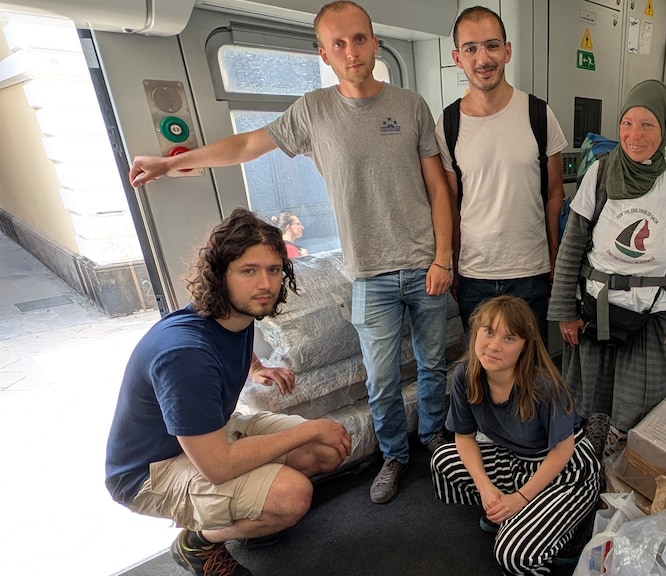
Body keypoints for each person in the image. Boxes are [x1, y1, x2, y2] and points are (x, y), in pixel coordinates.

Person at [128, 1, 454, 505]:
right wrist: (175, 164)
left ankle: (435, 442)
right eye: (339, 44)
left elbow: (437, 185)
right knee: (382, 377)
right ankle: (394, 455)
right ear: (324, 54)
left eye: (360, 39)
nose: (352, 52)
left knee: (431, 365)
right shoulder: (313, 111)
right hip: (369, 274)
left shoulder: (410, 105)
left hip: (424, 265)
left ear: (374, 43)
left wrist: (443, 259)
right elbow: (245, 147)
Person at [105, 208, 353, 576]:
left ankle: (250, 513)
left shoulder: (230, 315)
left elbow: (233, 340)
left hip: (208, 436)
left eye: (273, 270)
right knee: (292, 494)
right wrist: (310, 427)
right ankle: (198, 543)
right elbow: (218, 466)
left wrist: (257, 367)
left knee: (326, 450)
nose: (265, 284)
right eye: (249, 271)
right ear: (221, 274)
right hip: (150, 472)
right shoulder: (185, 355)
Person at [548, 79, 666, 455]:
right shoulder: (600, 173)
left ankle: (620, 472)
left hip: (650, 312)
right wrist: (565, 310)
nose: (634, 134)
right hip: (596, 306)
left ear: (664, 129)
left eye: (647, 124)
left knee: (638, 400)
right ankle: (580, 463)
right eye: (627, 123)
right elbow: (573, 244)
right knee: (588, 393)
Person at [431, 295, 600, 576]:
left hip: (566, 470)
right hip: (516, 459)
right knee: (443, 459)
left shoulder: (544, 386)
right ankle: (520, 515)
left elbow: (562, 452)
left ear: (524, 347)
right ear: (476, 331)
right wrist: (485, 487)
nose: (494, 346)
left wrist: (520, 498)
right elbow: (464, 437)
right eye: (488, 332)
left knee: (512, 554)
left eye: (509, 339)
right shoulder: (465, 375)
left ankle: (571, 527)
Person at [436, 6, 567, 345]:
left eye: (492, 45)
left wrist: (553, 259)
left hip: (531, 273)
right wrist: (450, 263)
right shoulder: (448, 124)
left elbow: (555, 194)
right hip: (473, 276)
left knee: (530, 377)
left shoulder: (539, 114)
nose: (483, 58)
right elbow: (449, 203)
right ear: (457, 57)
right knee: (483, 374)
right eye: (471, 48)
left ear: (507, 51)